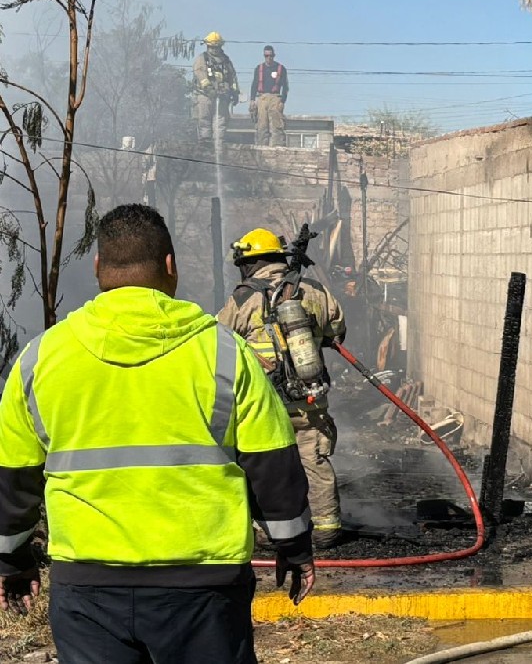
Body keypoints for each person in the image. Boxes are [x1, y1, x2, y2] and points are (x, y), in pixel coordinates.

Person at [0, 204, 315, 663]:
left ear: (98, 268)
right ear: (171, 266)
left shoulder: (39, 359)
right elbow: (273, 464)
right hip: (203, 590)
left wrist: (12, 560)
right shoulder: (225, 353)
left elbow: (13, 477)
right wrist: (294, 546)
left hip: (87, 589)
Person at [218, 228, 347, 549]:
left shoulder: (242, 299)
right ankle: (327, 528)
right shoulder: (314, 290)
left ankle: (266, 531)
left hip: (264, 406)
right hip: (308, 398)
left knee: (266, 467)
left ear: (250, 263)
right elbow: (337, 329)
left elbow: (219, 343)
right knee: (314, 460)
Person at [193, 31, 240, 143]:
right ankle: (205, 142)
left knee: (221, 120)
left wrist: (235, 92)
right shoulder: (202, 59)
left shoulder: (226, 61)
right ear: (207, 46)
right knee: (204, 118)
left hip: (223, 97)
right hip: (205, 95)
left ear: (220, 46)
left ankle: (219, 141)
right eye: (211, 47)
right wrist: (209, 89)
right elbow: (201, 75)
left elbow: (232, 77)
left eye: (216, 47)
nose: (214, 49)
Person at [251, 45, 289, 147]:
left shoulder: (281, 68)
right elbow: (254, 84)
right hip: (262, 98)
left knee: (277, 124)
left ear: (274, 55)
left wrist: (282, 101)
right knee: (262, 125)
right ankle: (261, 148)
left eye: (271, 55)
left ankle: (278, 147)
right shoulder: (259, 68)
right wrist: (252, 100)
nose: (269, 58)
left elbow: (285, 86)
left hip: (275, 98)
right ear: (264, 56)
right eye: (266, 55)